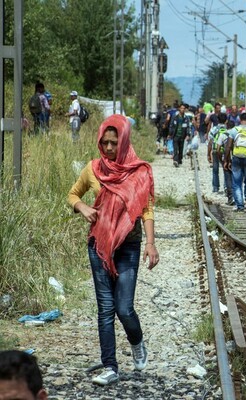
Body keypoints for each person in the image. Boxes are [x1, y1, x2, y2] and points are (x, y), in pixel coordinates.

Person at [67, 114, 159, 385]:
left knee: (124, 308)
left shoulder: (139, 171)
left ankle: (137, 341)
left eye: (113, 142)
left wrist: (151, 244)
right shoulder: (93, 169)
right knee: (105, 308)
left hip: (129, 246)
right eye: (104, 142)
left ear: (124, 141)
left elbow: (147, 209)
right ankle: (110, 366)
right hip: (99, 246)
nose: (108, 148)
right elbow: (73, 194)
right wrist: (82, 207)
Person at [224, 112, 246, 212]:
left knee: (237, 183)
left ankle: (240, 205)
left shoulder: (234, 130)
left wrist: (226, 160)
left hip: (236, 158)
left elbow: (228, 146)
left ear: (239, 119)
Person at [169, 103, 191, 167]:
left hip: (182, 136)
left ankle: (180, 159)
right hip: (175, 135)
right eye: (181, 108)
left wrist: (188, 135)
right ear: (179, 109)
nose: (182, 110)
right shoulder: (175, 116)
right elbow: (171, 125)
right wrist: (170, 133)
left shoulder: (186, 118)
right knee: (175, 149)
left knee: (181, 149)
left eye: (184, 108)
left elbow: (188, 127)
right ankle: (175, 160)